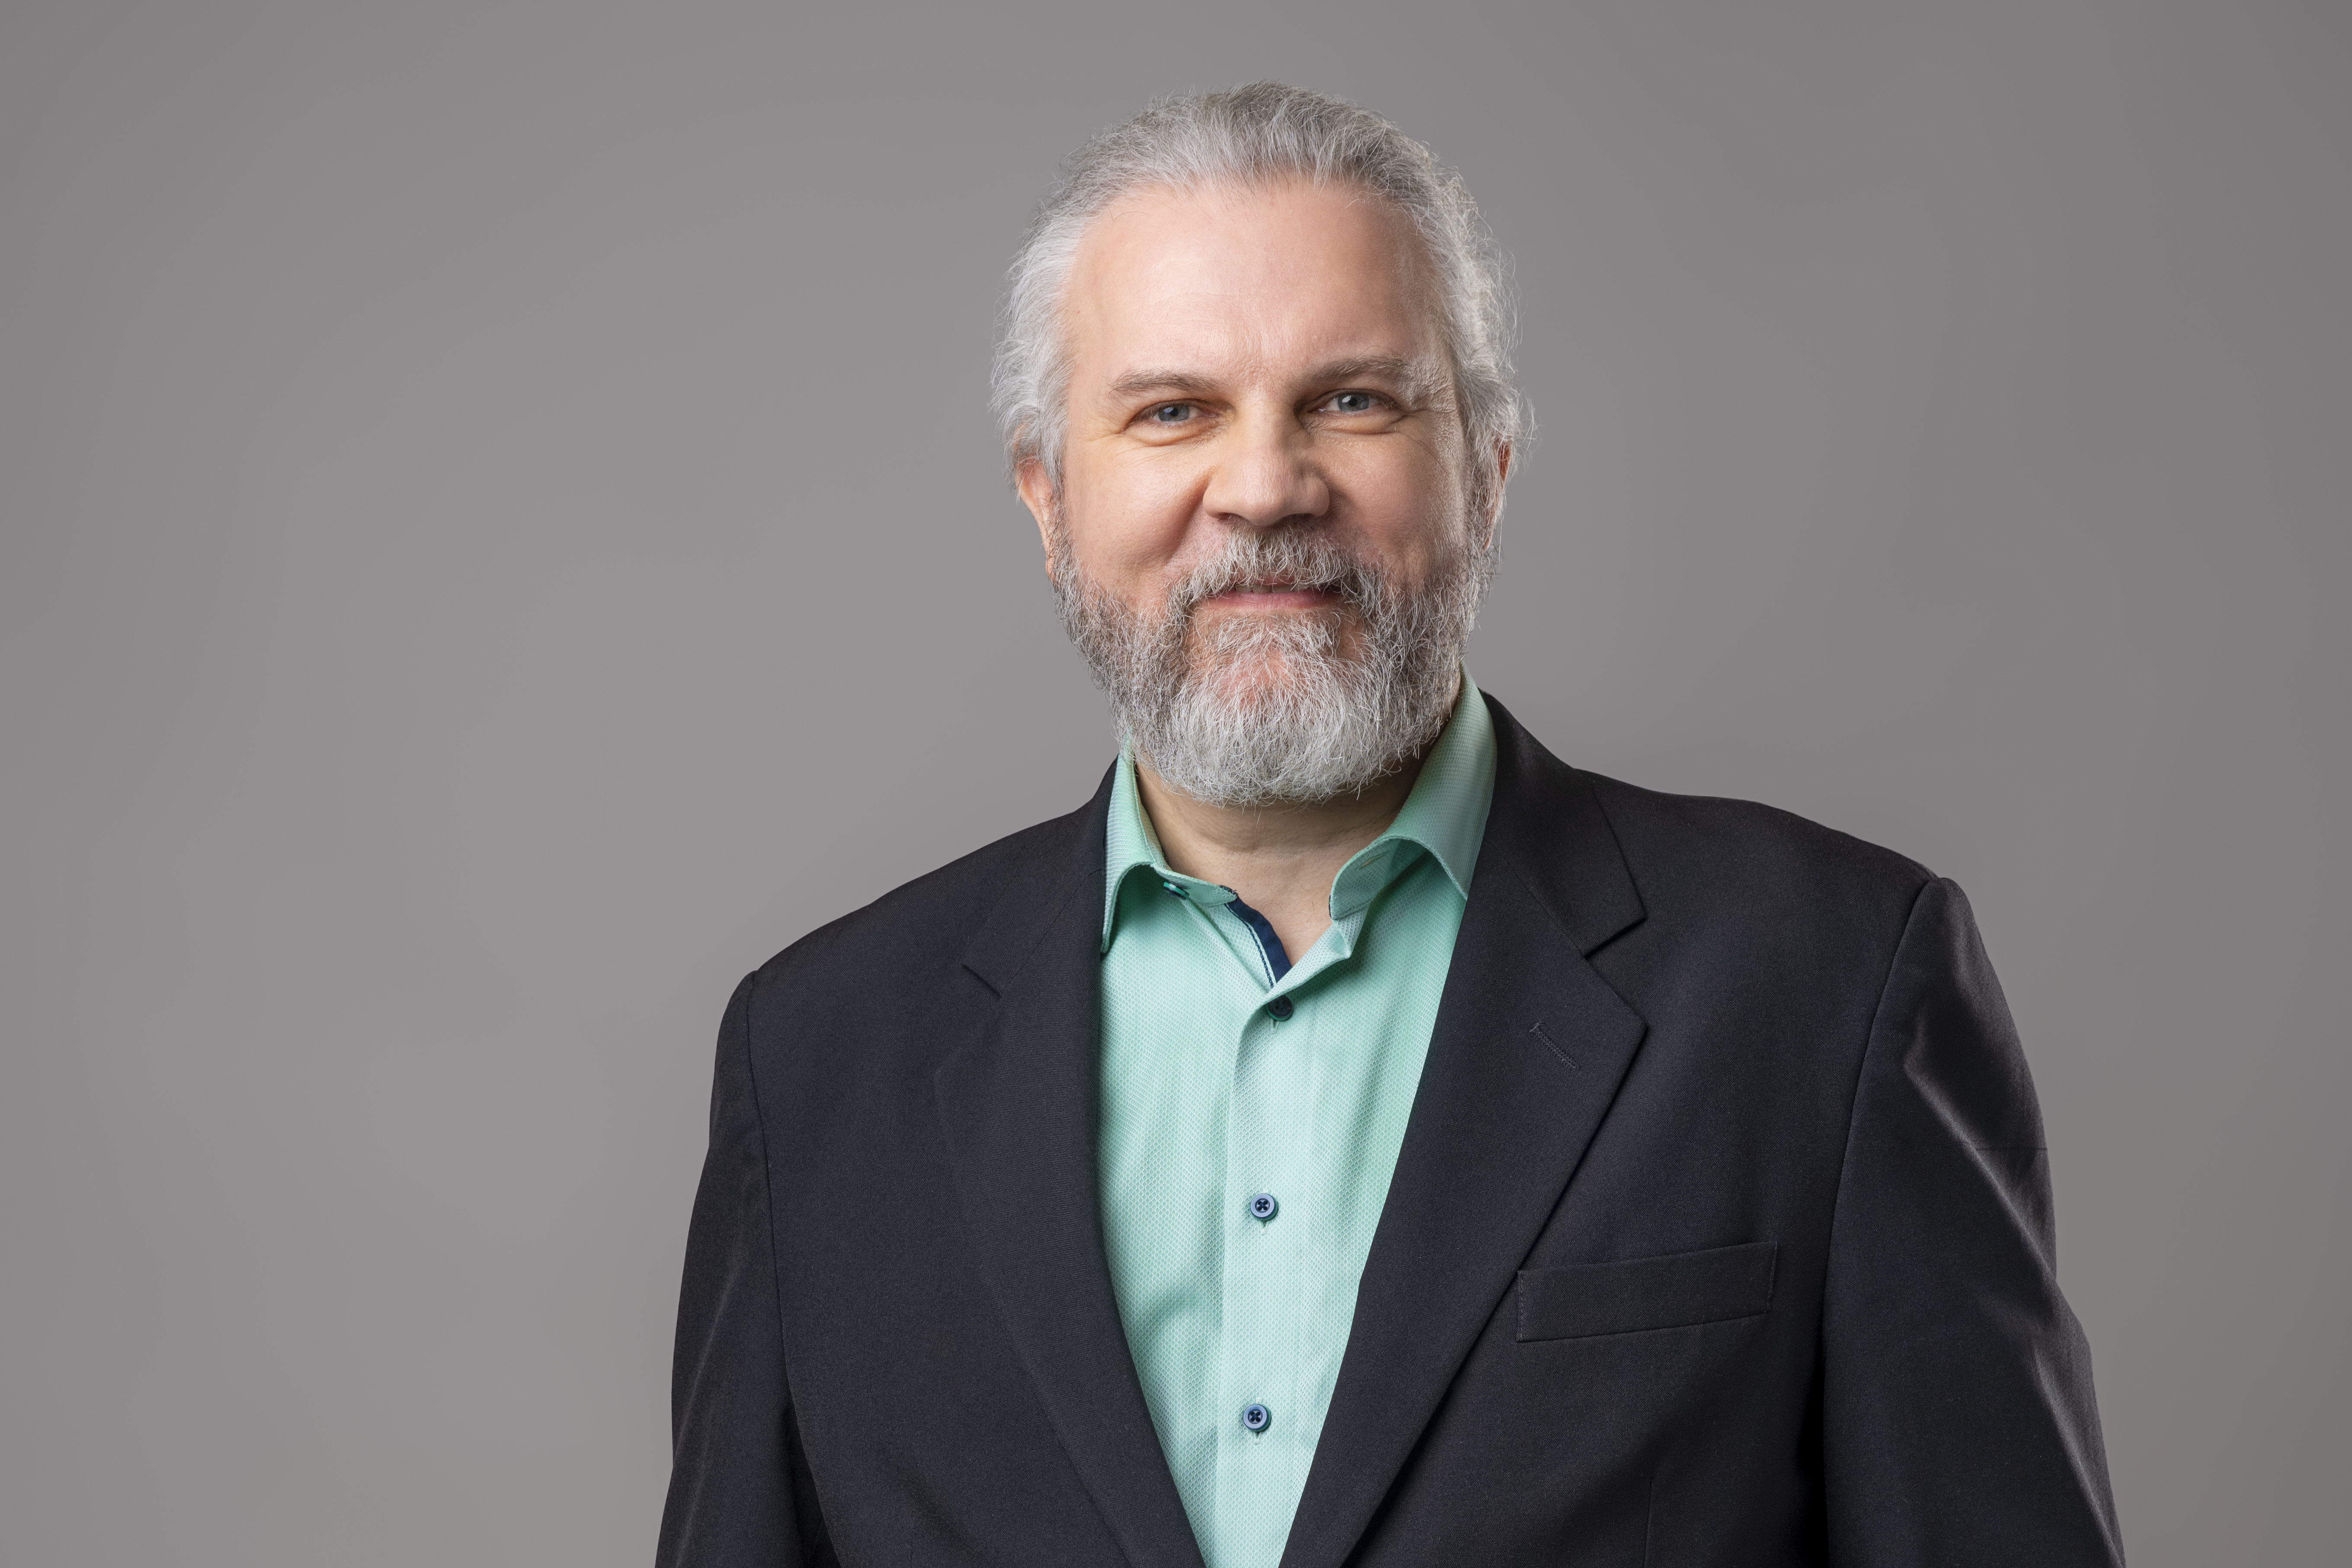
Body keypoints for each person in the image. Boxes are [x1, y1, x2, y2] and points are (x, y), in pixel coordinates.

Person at [656, 83, 2121, 1568]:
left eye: (1352, 400)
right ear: (1047, 496)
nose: (1265, 489)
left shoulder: (1830, 988)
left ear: (1486, 467)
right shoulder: (816, 1063)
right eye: (1173, 411)